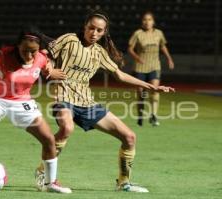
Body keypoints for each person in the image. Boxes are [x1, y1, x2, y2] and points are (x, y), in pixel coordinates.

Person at [34, 10, 174, 192]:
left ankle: (123, 183)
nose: (94, 33)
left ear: (104, 32)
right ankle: (43, 172)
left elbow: (120, 75)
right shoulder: (69, 39)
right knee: (67, 128)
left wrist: (150, 86)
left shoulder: (99, 52)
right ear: (85, 26)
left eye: (99, 30)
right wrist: (49, 70)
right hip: (63, 96)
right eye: (91, 28)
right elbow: (43, 54)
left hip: (87, 103)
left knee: (129, 137)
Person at [0, 26, 72, 193]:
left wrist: (51, 73)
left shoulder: (40, 58)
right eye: (25, 50)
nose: (29, 55)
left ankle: (50, 183)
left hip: (21, 103)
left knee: (48, 139)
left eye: (33, 51)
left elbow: (45, 67)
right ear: (18, 46)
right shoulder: (2, 57)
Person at [128, 11, 175, 126]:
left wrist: (169, 58)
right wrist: (137, 57)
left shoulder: (159, 33)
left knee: (155, 89)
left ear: (153, 22)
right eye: (144, 19)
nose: (147, 22)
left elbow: (163, 46)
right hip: (140, 68)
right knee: (141, 94)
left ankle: (153, 116)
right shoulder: (138, 33)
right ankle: (140, 116)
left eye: (149, 19)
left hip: (155, 66)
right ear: (142, 21)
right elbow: (130, 48)